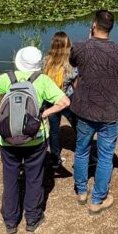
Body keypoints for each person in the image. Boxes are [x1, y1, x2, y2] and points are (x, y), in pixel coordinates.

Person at [0, 46, 70, 233]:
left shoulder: (8, 78)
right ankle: (32, 219)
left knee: (10, 177)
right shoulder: (42, 80)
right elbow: (65, 102)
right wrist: (44, 114)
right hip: (36, 137)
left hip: (7, 138)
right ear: (37, 64)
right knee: (34, 178)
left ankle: (10, 221)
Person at [70, 10, 118, 215]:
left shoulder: (80, 47)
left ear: (93, 24)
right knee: (105, 155)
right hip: (109, 110)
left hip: (84, 109)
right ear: (111, 28)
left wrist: (89, 39)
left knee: (81, 150)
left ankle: (82, 191)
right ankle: (97, 199)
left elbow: (74, 64)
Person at [42, 31, 78, 168]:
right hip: (67, 99)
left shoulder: (46, 61)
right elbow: (76, 85)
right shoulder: (70, 64)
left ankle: (55, 158)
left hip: (51, 101)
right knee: (77, 127)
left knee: (53, 130)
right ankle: (82, 154)